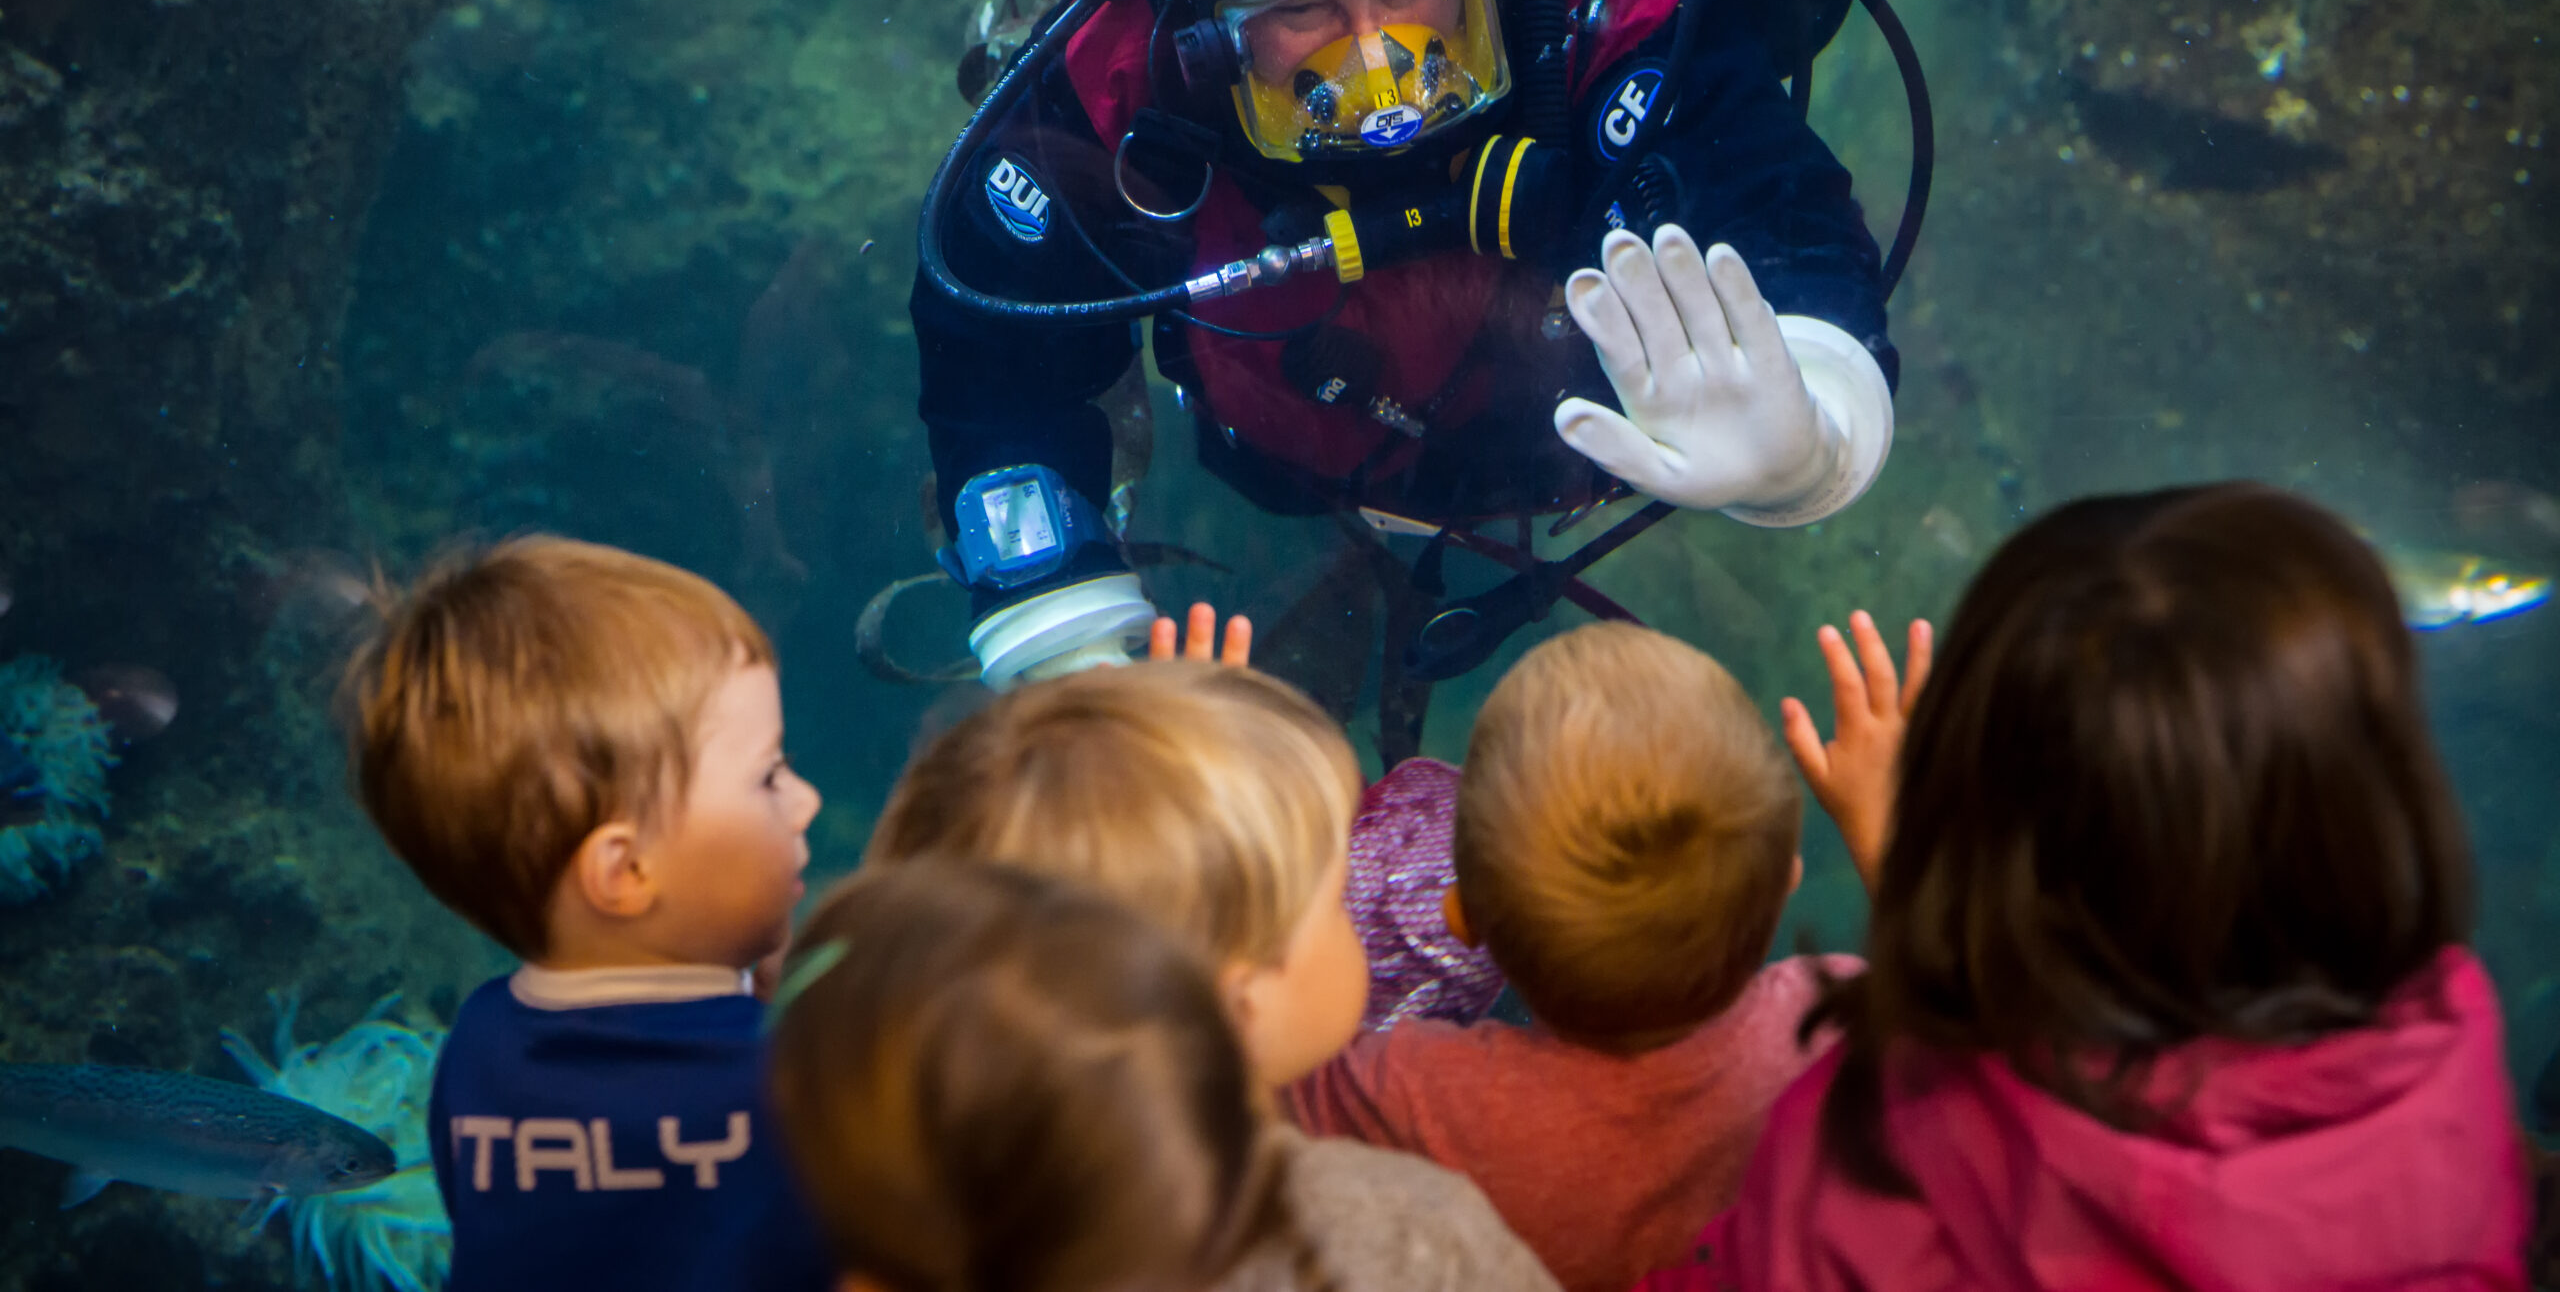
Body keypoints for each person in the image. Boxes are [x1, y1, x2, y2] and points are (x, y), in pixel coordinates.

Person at [912, 0, 1900, 691]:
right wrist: (1058, 626)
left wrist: (1812, 433)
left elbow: (1778, 207)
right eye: (1303, 11)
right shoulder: (1122, 74)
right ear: (1207, 28)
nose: (1382, 65)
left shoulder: (1604, 2)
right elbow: (994, 349)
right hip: (1283, 483)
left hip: (1588, 462)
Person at [1641, 483, 2530, 1291]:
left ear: (1977, 815)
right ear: (2370, 806)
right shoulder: (2450, 1064)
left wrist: (1902, 856)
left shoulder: (1885, 1154)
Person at [865, 659, 1562, 1290]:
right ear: (1241, 1001)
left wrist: (1204, 770)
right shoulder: (1406, 1234)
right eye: (1334, 895)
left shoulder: (956, 1229)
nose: (1358, 903)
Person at [1285, 622, 1857, 1292]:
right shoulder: (1831, 1024)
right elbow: (1963, 1040)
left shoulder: (1415, 1091)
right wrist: (1881, 839)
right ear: (1787, 881)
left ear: (1463, 917)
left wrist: (1234, 812)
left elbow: (1254, 1077)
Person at [340, 536, 831, 1292]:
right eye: (769, 775)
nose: (808, 800)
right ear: (625, 870)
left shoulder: (478, 1050)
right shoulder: (797, 1077)